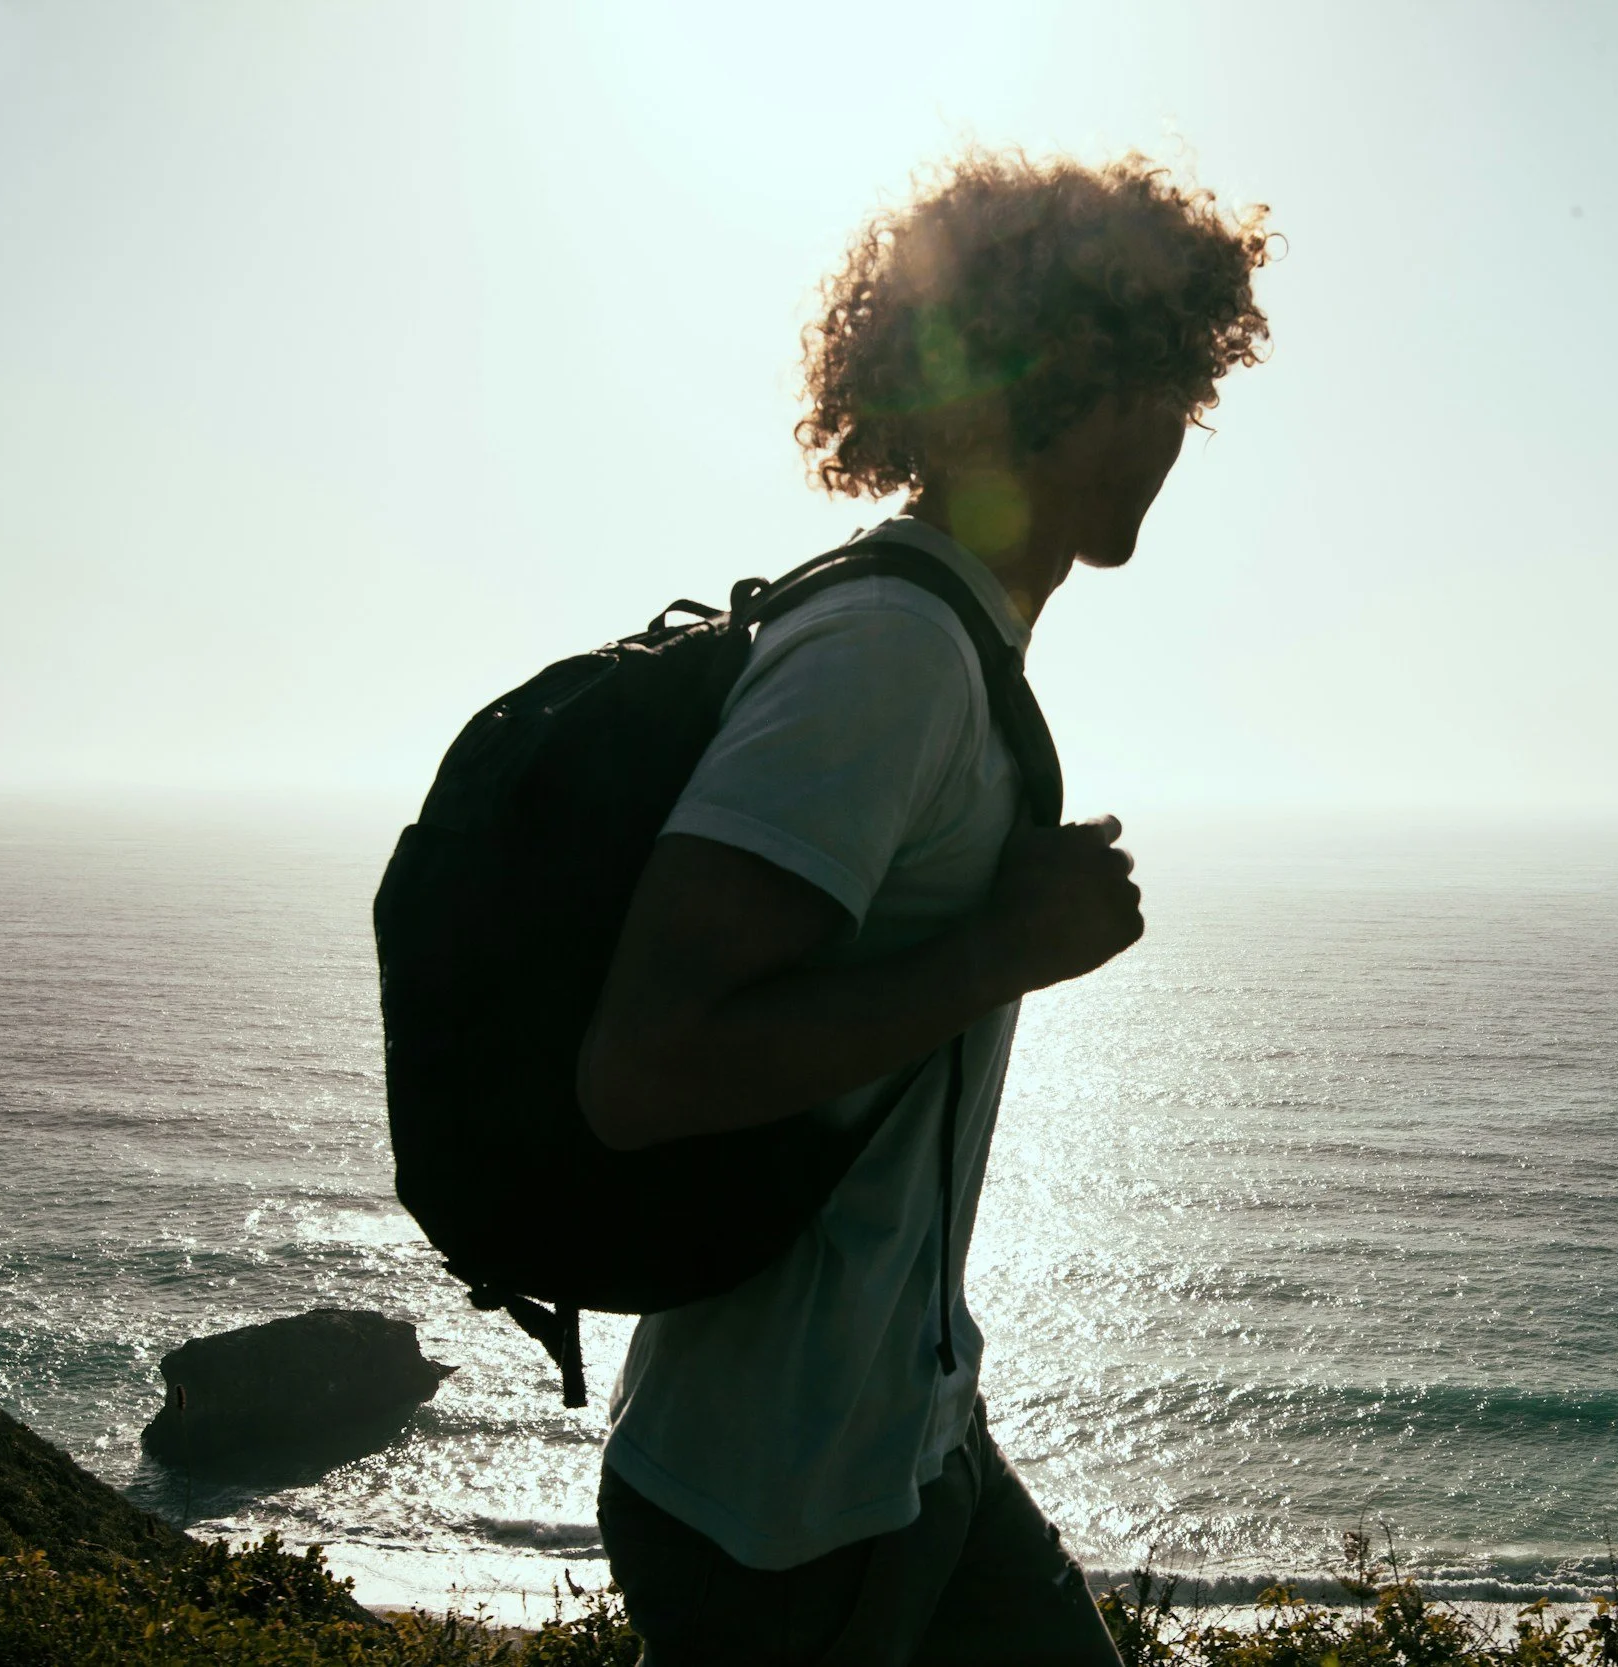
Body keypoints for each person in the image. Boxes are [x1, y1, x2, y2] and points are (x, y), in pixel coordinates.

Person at [575, 152, 1272, 1665]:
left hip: (904, 1440)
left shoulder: (949, 644)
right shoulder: (888, 654)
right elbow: (642, 1072)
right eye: (1140, 375)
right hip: (774, 1504)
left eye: (1183, 383)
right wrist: (1001, 951)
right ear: (1017, 385)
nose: (1170, 428)